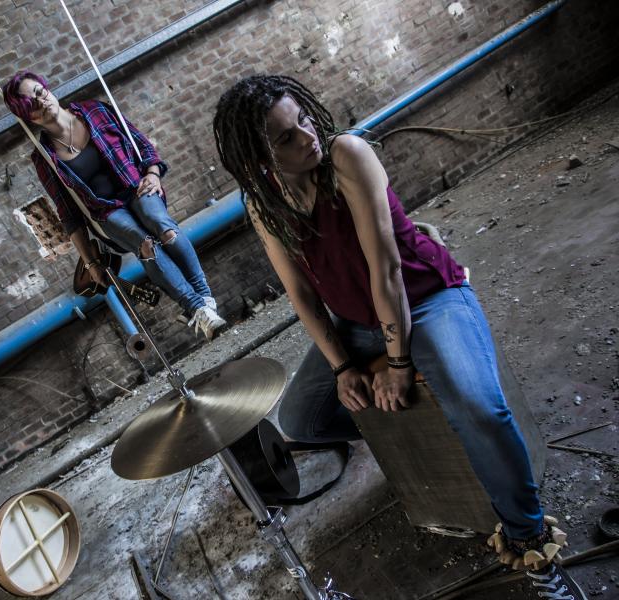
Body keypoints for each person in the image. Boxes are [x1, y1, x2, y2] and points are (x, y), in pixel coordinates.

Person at [213, 74, 584, 600]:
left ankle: (530, 539)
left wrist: (398, 363)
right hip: (355, 322)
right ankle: (432, 434)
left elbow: (386, 271)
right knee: (302, 419)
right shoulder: (263, 202)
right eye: (286, 138)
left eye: (304, 120)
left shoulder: (346, 155)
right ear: (258, 162)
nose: (308, 137)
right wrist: (343, 367)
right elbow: (301, 294)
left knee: (480, 409)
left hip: (425, 297)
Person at [2, 70, 226, 339]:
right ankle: (198, 308)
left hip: (137, 185)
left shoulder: (96, 111)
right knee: (144, 242)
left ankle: (203, 301)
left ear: (47, 89)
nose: (41, 101)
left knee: (161, 224)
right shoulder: (44, 158)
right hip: (106, 211)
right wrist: (90, 262)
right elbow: (68, 213)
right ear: (28, 116)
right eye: (32, 104)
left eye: (40, 92)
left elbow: (142, 144)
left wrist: (153, 173)